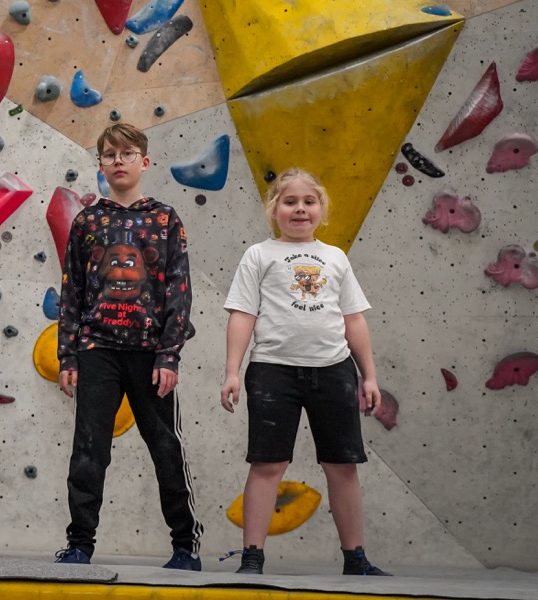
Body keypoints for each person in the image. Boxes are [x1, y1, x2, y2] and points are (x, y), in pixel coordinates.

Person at [220, 168, 390, 576]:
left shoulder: (335, 257)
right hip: (273, 373)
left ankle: (356, 558)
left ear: (321, 209)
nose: (300, 209)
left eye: (308, 201)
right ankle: (252, 558)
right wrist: (231, 370)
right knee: (267, 465)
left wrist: (368, 375)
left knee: (342, 465)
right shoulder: (258, 255)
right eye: (290, 201)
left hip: (333, 371)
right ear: (274, 209)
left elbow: (354, 320)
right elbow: (242, 315)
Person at [54, 122, 203, 568]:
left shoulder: (165, 219)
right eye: (109, 154)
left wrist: (169, 354)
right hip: (97, 352)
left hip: (150, 355)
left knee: (165, 448)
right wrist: (68, 354)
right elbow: (72, 290)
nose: (118, 161)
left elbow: (179, 290)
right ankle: (80, 543)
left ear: (144, 161)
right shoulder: (88, 221)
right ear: (100, 164)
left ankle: (184, 546)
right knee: (88, 452)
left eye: (126, 153)